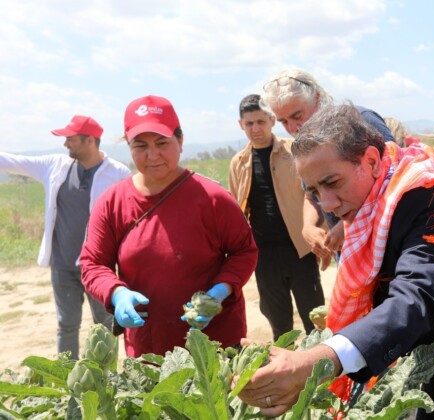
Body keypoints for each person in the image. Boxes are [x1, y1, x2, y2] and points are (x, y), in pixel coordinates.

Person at [237, 104, 434, 419]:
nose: (328, 203)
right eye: (315, 191)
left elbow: (412, 298)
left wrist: (317, 362)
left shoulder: (429, 194)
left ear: (372, 161)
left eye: (332, 183)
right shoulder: (369, 203)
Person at [80, 95, 258, 357]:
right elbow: (92, 263)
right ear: (129, 147)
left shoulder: (212, 198)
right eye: (140, 146)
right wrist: (117, 294)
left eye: (162, 143)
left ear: (181, 141)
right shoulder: (112, 202)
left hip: (214, 344)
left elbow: (244, 251)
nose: (152, 155)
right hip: (149, 348)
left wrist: (220, 291)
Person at [0, 115, 130, 359]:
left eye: (70, 139)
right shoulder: (55, 165)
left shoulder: (117, 173)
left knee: (106, 327)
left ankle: (107, 381)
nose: (65, 144)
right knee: (66, 325)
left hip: (99, 267)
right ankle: (66, 381)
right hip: (62, 265)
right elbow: (12, 161)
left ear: (90, 140)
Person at [261, 68, 394, 266]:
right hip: (351, 257)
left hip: (388, 248)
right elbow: (311, 195)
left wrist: (346, 226)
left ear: (316, 97)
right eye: (283, 121)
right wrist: (308, 227)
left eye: (297, 115)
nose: (292, 128)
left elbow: (397, 178)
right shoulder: (305, 143)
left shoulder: (360, 121)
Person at [228, 94, 324, 340]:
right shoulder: (238, 163)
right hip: (263, 256)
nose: (255, 128)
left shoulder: (294, 151)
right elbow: (235, 210)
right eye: (249, 124)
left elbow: (315, 194)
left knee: (315, 319)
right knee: (279, 324)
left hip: (299, 249)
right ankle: (288, 376)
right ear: (241, 125)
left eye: (260, 121)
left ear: (271, 120)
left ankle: (324, 373)